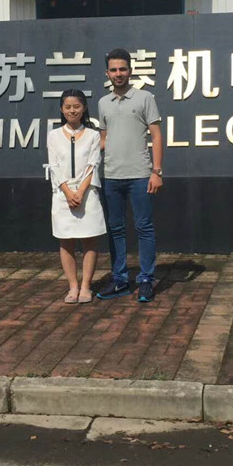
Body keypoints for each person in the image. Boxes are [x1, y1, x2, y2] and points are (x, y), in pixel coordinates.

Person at [97, 48, 163, 303]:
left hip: (140, 175)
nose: (118, 74)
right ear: (107, 73)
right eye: (113, 70)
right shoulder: (103, 103)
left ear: (130, 71)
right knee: (116, 228)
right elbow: (104, 139)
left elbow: (156, 135)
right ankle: (120, 280)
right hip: (111, 175)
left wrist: (156, 171)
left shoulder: (145, 98)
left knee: (144, 227)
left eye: (122, 69)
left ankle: (146, 279)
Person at [45, 89, 106, 304]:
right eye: (68, 107)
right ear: (62, 109)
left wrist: (80, 192)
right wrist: (68, 191)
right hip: (63, 194)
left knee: (90, 239)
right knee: (66, 240)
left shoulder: (93, 135)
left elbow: (93, 164)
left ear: (84, 108)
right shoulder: (53, 135)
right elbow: (54, 165)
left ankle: (86, 286)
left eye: (76, 106)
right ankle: (73, 286)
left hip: (87, 194)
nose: (72, 111)